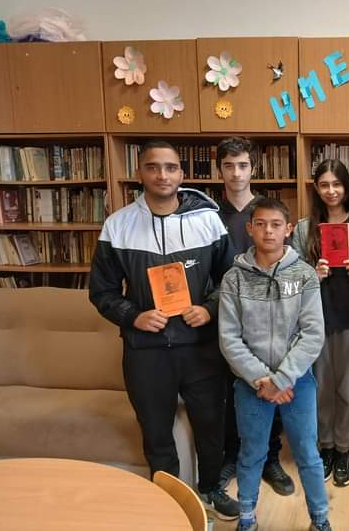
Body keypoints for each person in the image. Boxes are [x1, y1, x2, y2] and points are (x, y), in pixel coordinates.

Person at [89, 140, 239, 520]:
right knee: (155, 430)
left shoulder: (208, 220)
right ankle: (167, 500)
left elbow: (233, 279)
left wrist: (209, 309)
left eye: (170, 167)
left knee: (211, 424)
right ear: (139, 173)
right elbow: (102, 291)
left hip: (201, 346)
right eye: (153, 167)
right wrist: (133, 316)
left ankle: (211, 488)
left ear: (182, 174)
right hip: (145, 349)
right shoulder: (118, 225)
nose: (162, 175)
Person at [219, 197, 331, 531]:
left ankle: (320, 519)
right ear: (249, 228)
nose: (268, 231)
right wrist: (261, 380)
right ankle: (247, 517)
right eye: (261, 224)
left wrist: (281, 380)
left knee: (307, 453)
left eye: (276, 224)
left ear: (289, 229)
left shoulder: (305, 275)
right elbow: (229, 339)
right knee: (251, 453)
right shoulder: (234, 279)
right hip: (251, 384)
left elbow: (313, 334)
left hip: (298, 382)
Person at [215, 136, 293, 496]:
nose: (236, 173)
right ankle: (233, 456)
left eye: (243, 165)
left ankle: (271, 459)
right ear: (219, 169)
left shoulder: (266, 212)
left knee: (269, 387)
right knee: (231, 393)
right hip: (225, 317)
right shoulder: (209, 214)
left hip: (268, 321)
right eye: (228, 165)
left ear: (253, 168)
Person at [292, 159, 349, 487]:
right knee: (320, 390)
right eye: (324, 185)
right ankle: (325, 447)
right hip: (316, 323)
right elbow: (293, 277)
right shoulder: (304, 228)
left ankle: (344, 449)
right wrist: (313, 275)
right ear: (316, 188)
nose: (331, 191)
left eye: (337, 184)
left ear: (346, 187)